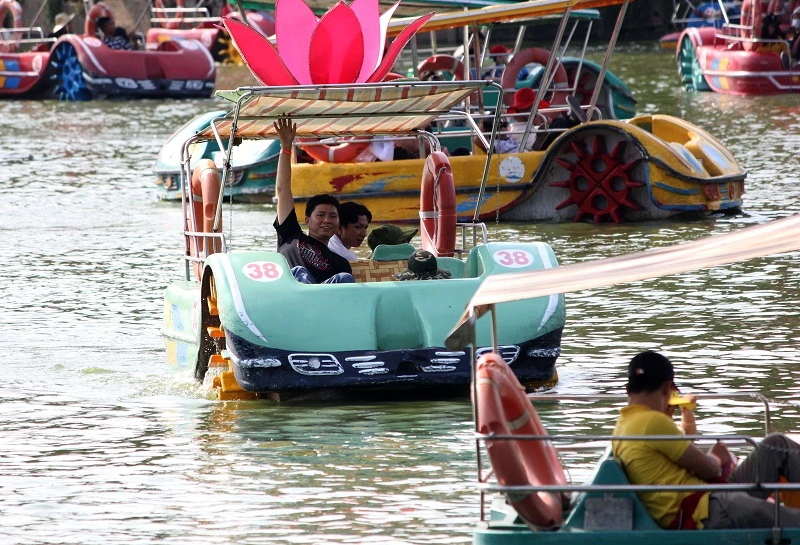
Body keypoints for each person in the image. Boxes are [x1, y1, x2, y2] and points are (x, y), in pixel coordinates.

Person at [613, 350, 800, 530]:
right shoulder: (653, 422)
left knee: (775, 444)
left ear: (628, 389)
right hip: (704, 510)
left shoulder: (623, 424)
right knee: (792, 518)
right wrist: (717, 456)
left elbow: (682, 455)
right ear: (666, 388)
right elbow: (710, 469)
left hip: (707, 497)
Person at [273, 118, 354, 284]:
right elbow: (282, 189)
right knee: (299, 272)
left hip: (320, 295)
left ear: (338, 223)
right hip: (290, 291)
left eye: (333, 216)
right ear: (307, 220)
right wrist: (286, 148)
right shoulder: (290, 234)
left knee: (344, 277)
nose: (327, 220)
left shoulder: (340, 263)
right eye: (321, 215)